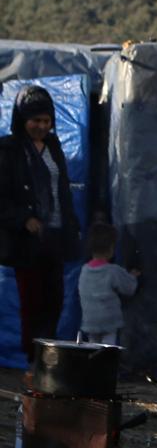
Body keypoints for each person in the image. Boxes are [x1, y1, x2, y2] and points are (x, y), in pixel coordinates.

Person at [0, 86, 80, 360]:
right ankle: (33, 364)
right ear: (23, 119)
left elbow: (62, 188)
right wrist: (25, 219)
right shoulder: (9, 150)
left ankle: (48, 361)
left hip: (55, 235)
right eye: (36, 121)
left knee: (54, 301)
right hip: (28, 240)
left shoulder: (53, 146)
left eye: (46, 121)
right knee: (32, 302)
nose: (41, 126)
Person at [77, 223, 140, 346]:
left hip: (90, 321)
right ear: (111, 248)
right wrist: (133, 276)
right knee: (109, 346)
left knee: (92, 347)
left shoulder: (84, 270)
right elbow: (129, 288)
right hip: (109, 321)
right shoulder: (113, 271)